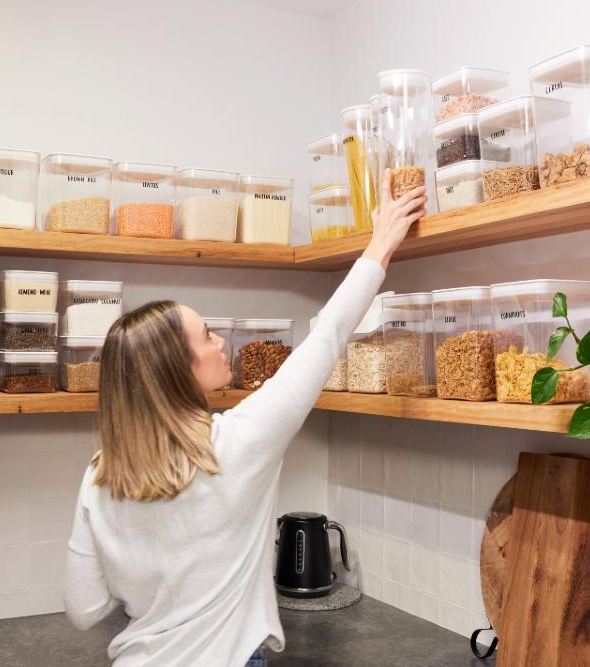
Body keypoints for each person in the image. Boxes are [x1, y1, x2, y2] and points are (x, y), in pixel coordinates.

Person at [64, 170, 427, 666]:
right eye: (207, 335)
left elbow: (85, 609)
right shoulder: (238, 441)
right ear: (180, 370)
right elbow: (327, 337)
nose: (220, 343)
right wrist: (382, 241)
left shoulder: (100, 472)